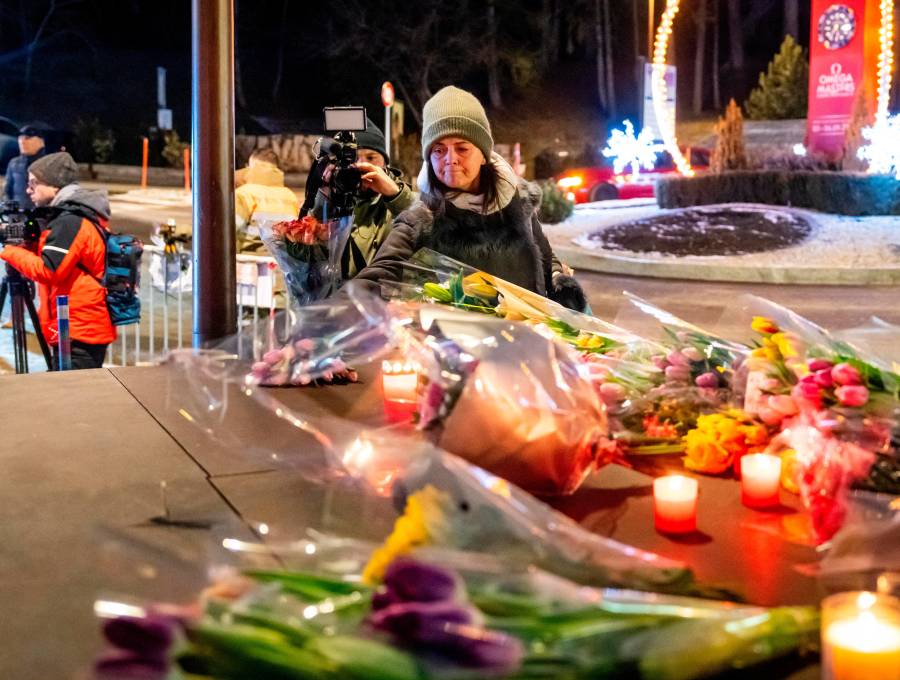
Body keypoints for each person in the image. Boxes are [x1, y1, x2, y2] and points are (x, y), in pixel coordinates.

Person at [354, 86, 587, 311]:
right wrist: (328, 319)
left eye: (462, 148)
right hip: (460, 349)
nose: (450, 159)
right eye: (438, 150)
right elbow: (376, 277)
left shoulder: (518, 203)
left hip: (527, 344)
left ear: (483, 154)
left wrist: (562, 285)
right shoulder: (421, 219)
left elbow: (545, 259)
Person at [0, 152, 115, 369]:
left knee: (72, 399)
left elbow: (49, 270)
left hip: (78, 331)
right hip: (71, 327)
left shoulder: (70, 221)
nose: (28, 190)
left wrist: (10, 250)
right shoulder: (68, 216)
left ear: (54, 185)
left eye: (34, 183)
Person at [308, 118, 415, 278]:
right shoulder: (329, 197)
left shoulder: (397, 202)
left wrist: (395, 195)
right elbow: (308, 252)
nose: (361, 165)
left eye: (371, 158)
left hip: (377, 299)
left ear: (385, 164)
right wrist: (324, 197)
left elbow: (424, 234)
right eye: (353, 158)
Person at [234, 147, 300, 253]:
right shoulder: (290, 196)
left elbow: (228, 232)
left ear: (252, 166)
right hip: (281, 264)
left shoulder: (244, 193)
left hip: (250, 263)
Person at [3, 125, 46, 208]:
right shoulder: (14, 163)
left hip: (41, 217)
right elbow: (7, 191)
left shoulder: (49, 163)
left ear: (40, 142)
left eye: (27, 138)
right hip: (18, 216)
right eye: (20, 138)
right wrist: (9, 209)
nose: (22, 141)